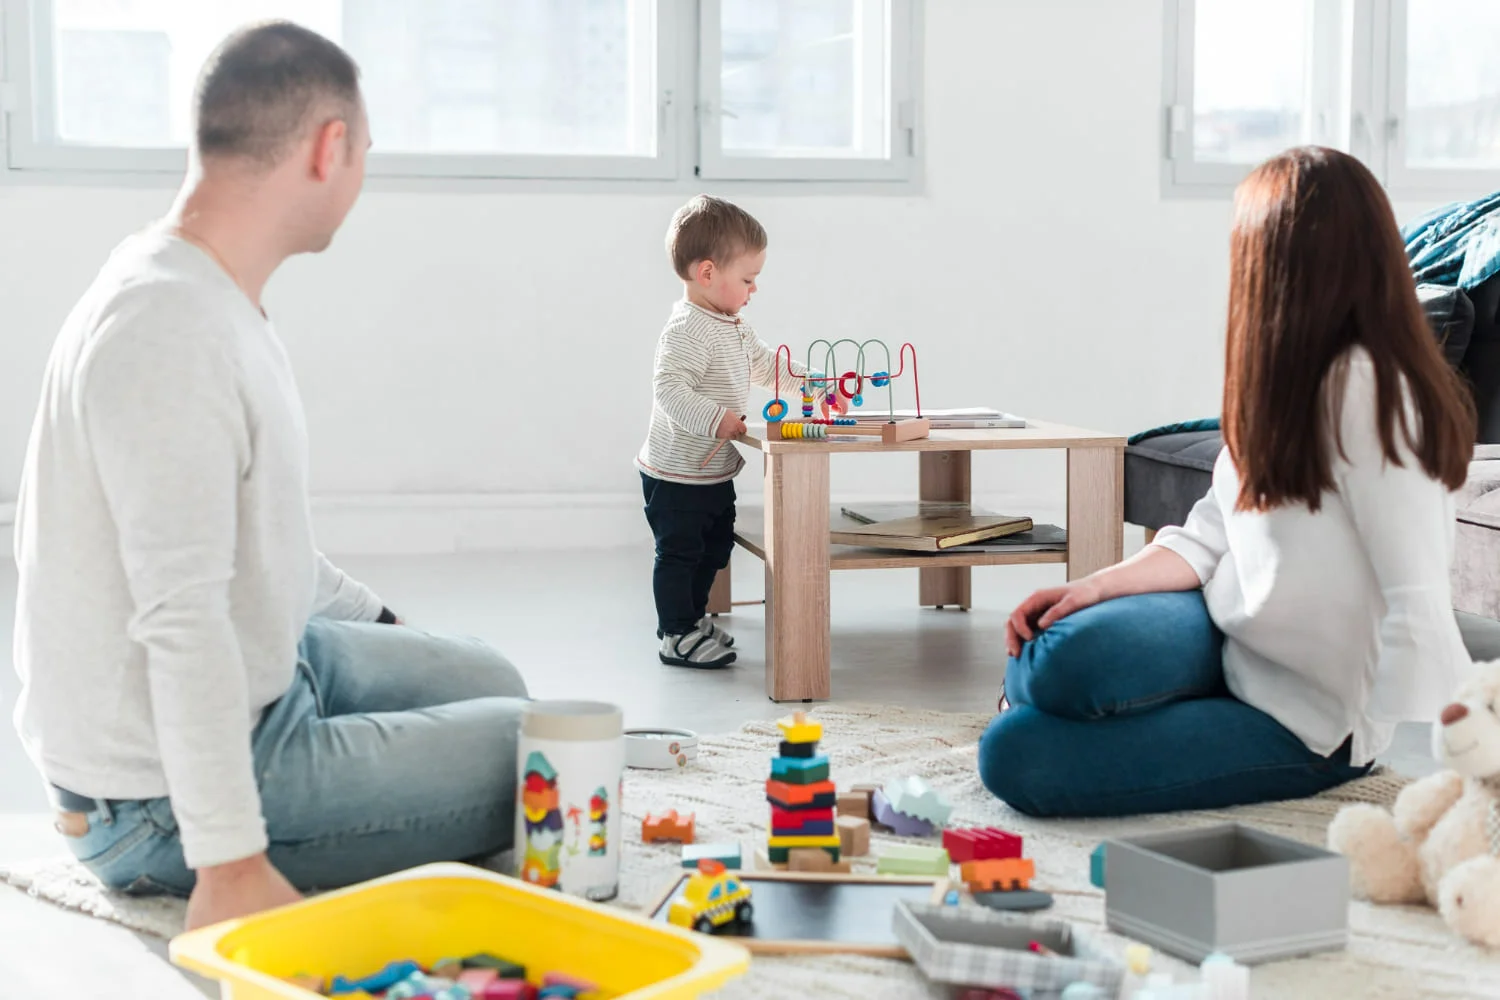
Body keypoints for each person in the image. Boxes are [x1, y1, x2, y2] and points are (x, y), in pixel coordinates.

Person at [11, 22, 529, 930]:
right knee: (537, 752)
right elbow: (182, 617)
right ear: (330, 148)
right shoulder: (167, 329)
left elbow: (261, 538)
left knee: (495, 678)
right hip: (149, 798)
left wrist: (382, 628)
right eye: (365, 152)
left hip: (272, 670)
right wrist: (232, 863)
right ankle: (223, 846)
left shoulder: (207, 290)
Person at [980, 146, 1476, 817]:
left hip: (1306, 722)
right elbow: (1209, 534)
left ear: (1275, 264)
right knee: (1050, 652)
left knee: (1013, 754)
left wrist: (1460, 756)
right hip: (1225, 637)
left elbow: (1416, 587)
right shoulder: (1281, 381)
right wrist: (1090, 589)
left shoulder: (1369, 392)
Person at [635, 195, 841, 668]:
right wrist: (716, 418)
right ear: (708, 273)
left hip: (712, 471)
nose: (754, 289)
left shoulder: (733, 326)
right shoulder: (687, 329)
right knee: (680, 553)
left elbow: (767, 366)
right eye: (748, 279)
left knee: (715, 547)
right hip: (675, 474)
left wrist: (816, 382)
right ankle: (676, 633)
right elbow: (669, 389)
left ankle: (691, 618)